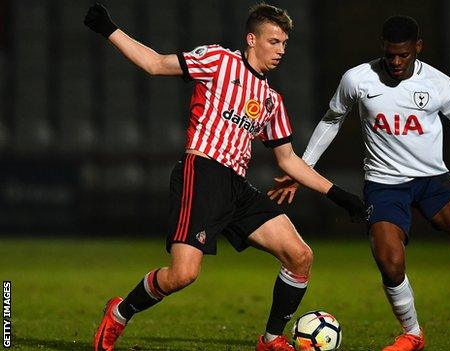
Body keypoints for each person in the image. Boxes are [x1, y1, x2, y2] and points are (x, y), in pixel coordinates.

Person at [83, 3, 366, 351]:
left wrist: (339, 194)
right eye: (274, 41)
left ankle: (271, 339)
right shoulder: (219, 61)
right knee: (183, 275)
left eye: (284, 44)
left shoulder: (272, 100)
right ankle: (119, 313)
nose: (281, 50)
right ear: (252, 39)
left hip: (237, 186)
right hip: (202, 173)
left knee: (300, 255)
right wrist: (109, 28)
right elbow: (154, 64)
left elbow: (288, 159)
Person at [268, 15, 450, 351]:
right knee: (389, 260)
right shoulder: (357, 79)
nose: (396, 62)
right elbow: (331, 122)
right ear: (382, 48)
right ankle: (413, 334)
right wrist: (303, 168)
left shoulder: (440, 84)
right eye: (390, 54)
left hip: (433, 178)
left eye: (404, 55)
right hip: (384, 183)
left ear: (418, 48)